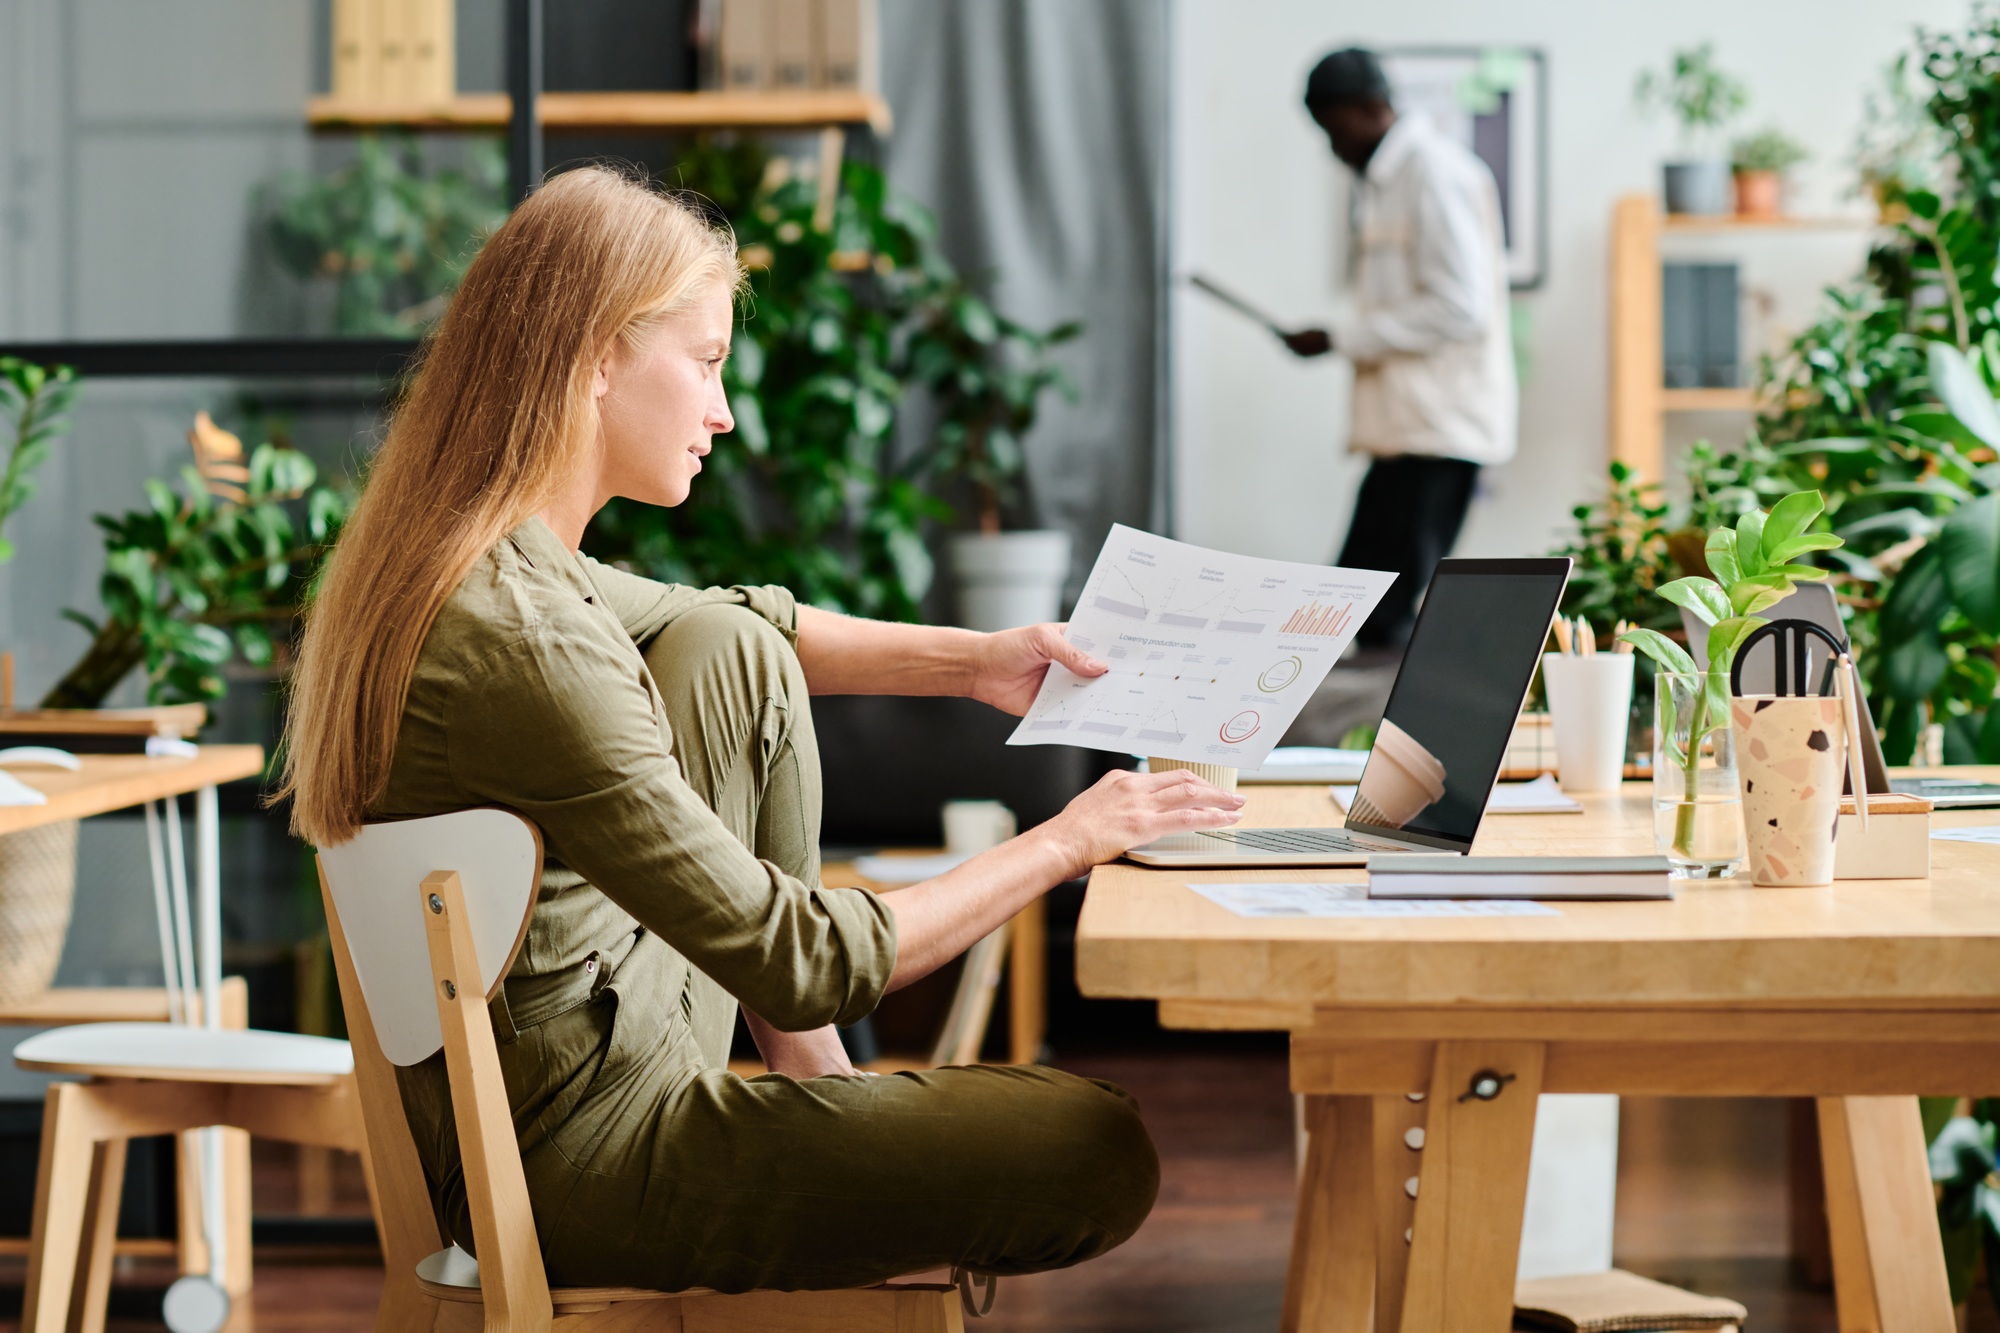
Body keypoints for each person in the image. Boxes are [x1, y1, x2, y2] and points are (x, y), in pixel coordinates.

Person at [276, 166, 1244, 1296]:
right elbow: (803, 957)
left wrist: (977, 662)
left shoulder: (476, 566)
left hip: (599, 1071)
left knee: (729, 648)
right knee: (1095, 1147)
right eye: (706, 362)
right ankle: (823, 1110)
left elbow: (750, 626)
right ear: (594, 355)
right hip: (588, 1164)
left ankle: (815, 1092)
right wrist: (1072, 836)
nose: (722, 409)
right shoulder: (526, 644)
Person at [1286, 47, 1517, 650]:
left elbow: (1461, 307)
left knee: (1373, 619)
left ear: (1371, 108)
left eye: (1335, 130)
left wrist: (1340, 338)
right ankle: (1350, 739)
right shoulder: (1386, 181)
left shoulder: (1433, 173)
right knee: (1351, 611)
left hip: (1438, 431)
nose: (1332, 148)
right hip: (1405, 434)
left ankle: (1382, 741)